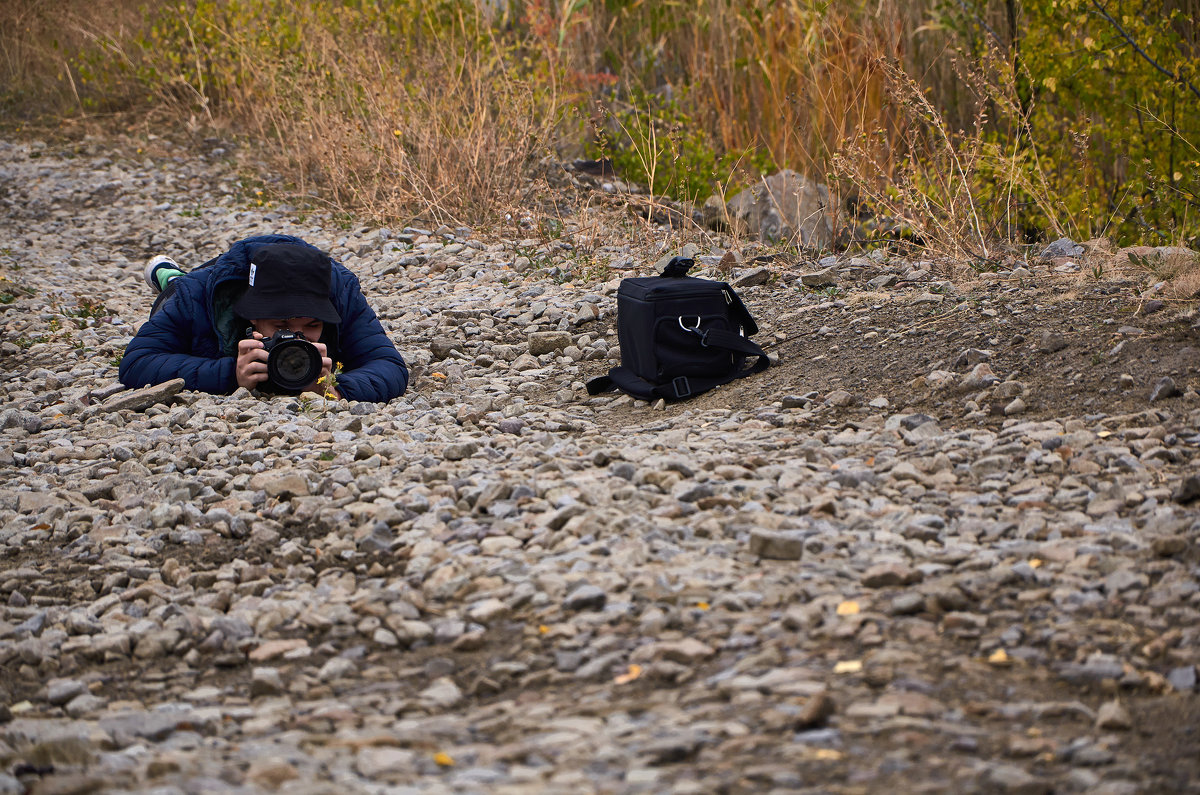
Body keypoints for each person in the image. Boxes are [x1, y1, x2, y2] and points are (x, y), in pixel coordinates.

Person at [119, 234, 408, 402]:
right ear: (252, 317)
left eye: (312, 325)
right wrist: (229, 373)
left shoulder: (341, 293)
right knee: (173, 288)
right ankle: (167, 274)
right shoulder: (196, 296)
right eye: (281, 325)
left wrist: (334, 388)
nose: (297, 336)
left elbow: (389, 365)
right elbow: (136, 362)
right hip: (204, 280)